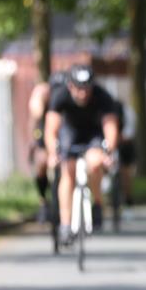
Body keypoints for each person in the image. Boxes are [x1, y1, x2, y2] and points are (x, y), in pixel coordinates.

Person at [44, 65, 119, 246]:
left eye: (86, 89)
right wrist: (52, 153)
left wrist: (109, 152)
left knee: (94, 163)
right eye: (78, 88)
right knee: (67, 171)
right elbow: (51, 128)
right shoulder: (60, 95)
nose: (83, 93)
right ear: (70, 86)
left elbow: (110, 127)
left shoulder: (103, 96)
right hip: (70, 134)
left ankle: (98, 203)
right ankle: (65, 224)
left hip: (93, 135)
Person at [26, 71, 67, 222]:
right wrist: (33, 143)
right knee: (41, 162)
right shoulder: (42, 96)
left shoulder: (69, 98)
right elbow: (34, 120)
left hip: (65, 131)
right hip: (45, 131)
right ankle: (43, 199)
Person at [112, 98, 137, 207]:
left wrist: (119, 138)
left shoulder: (127, 112)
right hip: (109, 140)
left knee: (126, 170)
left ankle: (128, 197)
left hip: (124, 143)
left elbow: (129, 132)